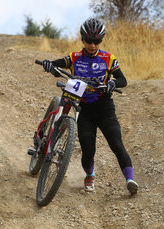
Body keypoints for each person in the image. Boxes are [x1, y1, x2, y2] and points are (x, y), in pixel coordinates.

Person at [41, 18, 139, 195]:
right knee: (88, 149)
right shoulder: (74, 58)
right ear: (82, 40)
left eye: (97, 41)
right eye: (89, 41)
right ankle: (89, 174)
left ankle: (130, 180)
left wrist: (112, 84)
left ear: (101, 41)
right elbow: (55, 64)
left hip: (104, 108)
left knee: (116, 143)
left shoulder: (108, 59)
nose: (92, 45)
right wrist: (49, 64)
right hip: (84, 109)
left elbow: (123, 80)